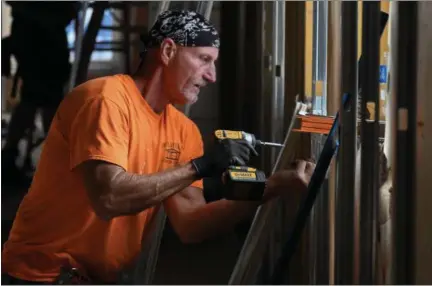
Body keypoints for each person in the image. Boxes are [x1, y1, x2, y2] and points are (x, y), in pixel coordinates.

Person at [1, 10, 315, 284]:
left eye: (214, 63)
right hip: (42, 276)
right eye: (204, 59)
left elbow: (191, 223)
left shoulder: (182, 131)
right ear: (167, 51)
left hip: (96, 278)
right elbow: (109, 197)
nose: (212, 76)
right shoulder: (105, 100)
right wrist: (202, 165)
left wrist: (272, 186)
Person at [1, 2, 78, 186]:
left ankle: (15, 154)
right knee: (42, 99)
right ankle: (51, 157)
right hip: (37, 38)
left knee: (39, 97)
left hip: (39, 36)